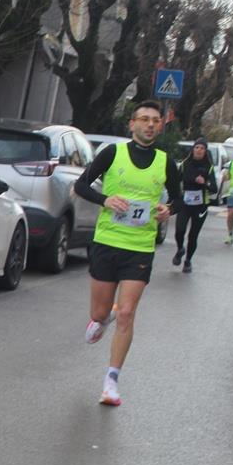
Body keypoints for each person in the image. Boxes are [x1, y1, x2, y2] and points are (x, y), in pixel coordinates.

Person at [73, 101, 183, 406]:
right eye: (144, 119)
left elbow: (178, 199)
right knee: (100, 314)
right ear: (132, 124)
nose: (150, 124)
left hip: (140, 247)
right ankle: (102, 317)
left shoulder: (165, 162)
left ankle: (111, 382)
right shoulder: (112, 153)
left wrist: (167, 210)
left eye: (156, 120)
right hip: (107, 242)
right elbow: (81, 185)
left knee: (127, 313)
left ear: (160, 126)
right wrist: (106, 200)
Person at [171, 137, 218, 273]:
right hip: (185, 204)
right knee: (179, 230)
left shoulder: (208, 167)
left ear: (205, 151)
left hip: (200, 206)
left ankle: (188, 261)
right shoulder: (184, 164)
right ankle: (180, 249)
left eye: (202, 148)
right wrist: (174, 199)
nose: (199, 150)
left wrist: (204, 183)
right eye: (197, 147)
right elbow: (175, 182)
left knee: (193, 235)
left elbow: (214, 188)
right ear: (193, 149)